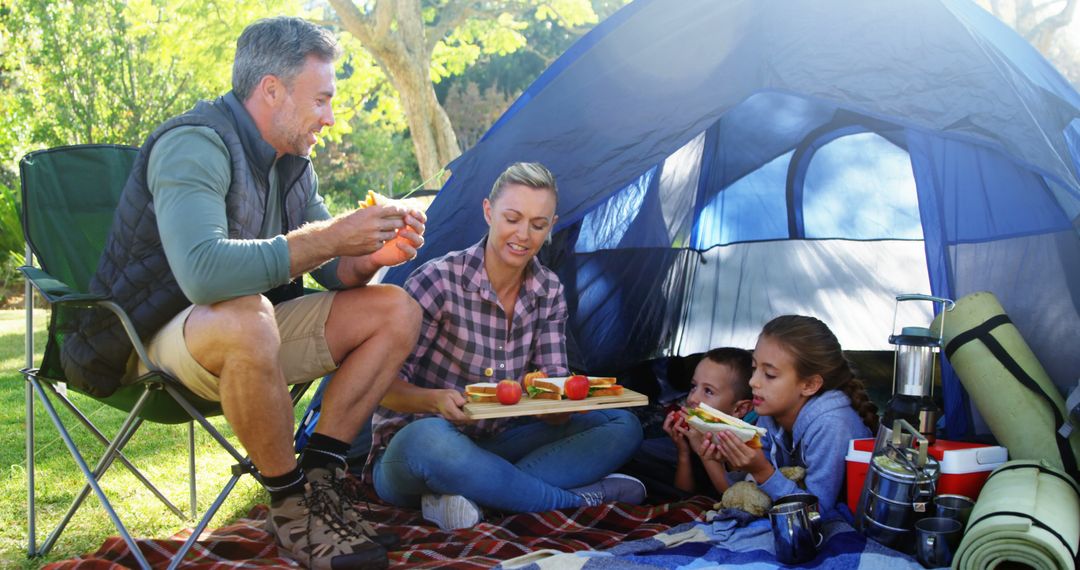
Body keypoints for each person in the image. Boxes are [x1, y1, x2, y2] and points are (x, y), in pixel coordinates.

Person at [62, 17, 425, 569]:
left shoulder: (294, 165)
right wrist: (330, 236)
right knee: (245, 314)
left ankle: (322, 481)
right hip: (146, 333)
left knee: (395, 310)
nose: (329, 117)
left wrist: (370, 256)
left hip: (248, 329)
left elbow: (332, 271)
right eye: (322, 99)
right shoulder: (193, 145)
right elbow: (203, 276)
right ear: (271, 89)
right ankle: (290, 507)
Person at [365, 162, 645, 531]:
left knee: (622, 424)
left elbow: (554, 387)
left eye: (538, 224)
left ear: (551, 226)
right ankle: (571, 502)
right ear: (488, 211)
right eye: (512, 218)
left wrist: (556, 407)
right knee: (431, 439)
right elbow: (382, 389)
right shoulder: (439, 280)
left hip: (495, 445)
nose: (523, 235)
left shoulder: (548, 291)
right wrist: (434, 401)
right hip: (416, 452)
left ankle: (480, 497)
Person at [708, 315, 879, 513]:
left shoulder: (832, 425)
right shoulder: (769, 413)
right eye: (754, 368)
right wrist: (727, 459)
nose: (753, 382)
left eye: (770, 375)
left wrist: (762, 471)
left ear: (809, 385)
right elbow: (752, 491)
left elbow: (816, 512)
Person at [662, 348, 754, 496]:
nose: (692, 399)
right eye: (694, 387)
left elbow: (733, 497)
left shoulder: (746, 442)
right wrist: (683, 451)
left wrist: (702, 451)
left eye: (708, 391)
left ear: (740, 409)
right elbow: (683, 494)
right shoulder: (697, 432)